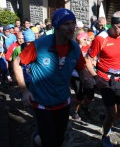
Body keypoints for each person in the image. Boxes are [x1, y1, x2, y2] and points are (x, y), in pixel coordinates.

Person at [13, 8, 91, 147]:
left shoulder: (74, 48)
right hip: (41, 102)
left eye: (73, 23)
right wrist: (24, 90)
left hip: (63, 101)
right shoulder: (40, 45)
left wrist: (89, 79)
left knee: (58, 140)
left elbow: (81, 69)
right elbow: (17, 63)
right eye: (66, 23)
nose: (71, 27)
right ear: (56, 26)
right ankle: (39, 139)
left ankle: (38, 139)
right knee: (50, 142)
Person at [85, 11, 120, 147]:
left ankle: (108, 118)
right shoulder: (101, 38)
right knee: (112, 114)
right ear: (113, 25)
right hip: (105, 80)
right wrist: (95, 77)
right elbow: (88, 59)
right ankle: (105, 135)